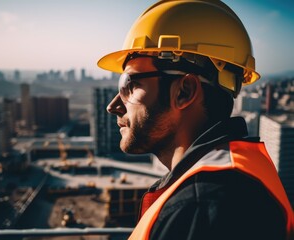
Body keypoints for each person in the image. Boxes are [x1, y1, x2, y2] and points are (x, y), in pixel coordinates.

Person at [97, 0, 294, 239]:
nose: (113, 106)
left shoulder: (202, 209)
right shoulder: (226, 185)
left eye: (131, 85)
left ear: (184, 92)